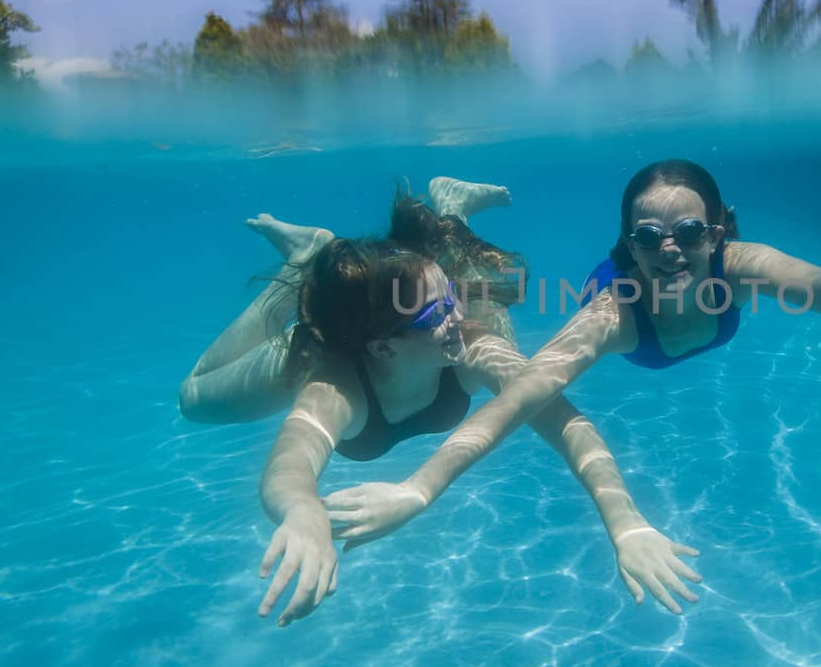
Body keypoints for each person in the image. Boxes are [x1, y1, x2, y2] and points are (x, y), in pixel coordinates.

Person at [321, 159, 821, 546]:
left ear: (722, 230)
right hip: (594, 316)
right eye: (649, 240)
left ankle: (450, 206)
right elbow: (522, 395)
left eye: (691, 234)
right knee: (495, 292)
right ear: (627, 247)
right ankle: (446, 209)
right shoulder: (615, 312)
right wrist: (420, 488)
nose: (672, 253)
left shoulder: (741, 269)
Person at [179, 177, 702, 626]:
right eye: (436, 314)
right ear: (383, 346)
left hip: (403, 314)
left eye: (448, 297)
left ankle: (447, 207)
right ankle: (308, 262)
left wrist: (627, 524)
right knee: (194, 398)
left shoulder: (472, 342)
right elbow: (290, 463)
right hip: (327, 334)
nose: (458, 316)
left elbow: (566, 423)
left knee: (474, 286)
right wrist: (302, 513)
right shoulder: (334, 385)